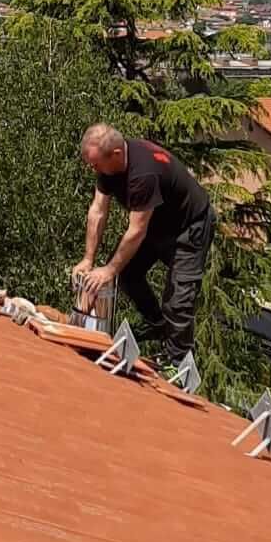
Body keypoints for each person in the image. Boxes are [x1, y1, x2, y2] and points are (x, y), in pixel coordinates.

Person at [73, 123, 215, 364]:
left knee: (178, 300)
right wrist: (88, 259)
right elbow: (98, 211)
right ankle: (158, 325)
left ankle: (177, 363)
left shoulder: (143, 174)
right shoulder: (109, 165)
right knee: (126, 273)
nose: (92, 169)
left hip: (189, 228)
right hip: (156, 224)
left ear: (116, 154)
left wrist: (108, 269)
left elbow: (137, 230)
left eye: (95, 164)